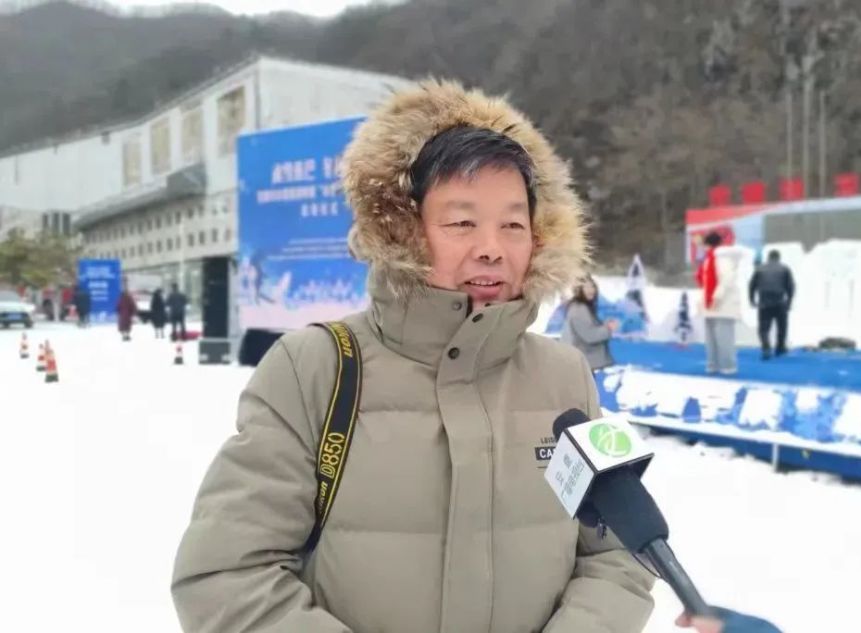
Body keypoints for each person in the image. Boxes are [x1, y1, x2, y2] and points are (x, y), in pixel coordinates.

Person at [171, 80, 656, 633]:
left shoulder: (563, 375)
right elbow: (228, 577)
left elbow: (617, 555)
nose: (492, 248)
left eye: (513, 224)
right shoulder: (314, 369)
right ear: (402, 231)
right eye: (462, 223)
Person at [695, 232, 742, 375]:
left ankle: (728, 366)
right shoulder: (708, 259)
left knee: (724, 338)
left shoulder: (724, 258)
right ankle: (713, 364)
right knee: (711, 338)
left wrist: (717, 297)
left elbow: (727, 279)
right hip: (710, 306)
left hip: (724, 304)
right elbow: (703, 281)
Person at [561, 274, 619, 371]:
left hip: (584, 363)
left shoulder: (582, 307)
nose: (591, 290)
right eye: (586, 287)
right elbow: (590, 336)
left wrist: (604, 325)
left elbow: (588, 329)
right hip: (583, 363)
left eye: (592, 286)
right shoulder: (579, 309)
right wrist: (608, 328)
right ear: (579, 290)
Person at [748, 250, 795, 359]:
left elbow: (752, 285)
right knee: (782, 326)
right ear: (778, 258)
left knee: (763, 328)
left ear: (768, 257)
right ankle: (780, 347)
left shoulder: (759, 269)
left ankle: (766, 347)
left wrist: (752, 300)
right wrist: (789, 301)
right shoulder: (785, 268)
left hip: (764, 301)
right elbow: (791, 287)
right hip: (780, 301)